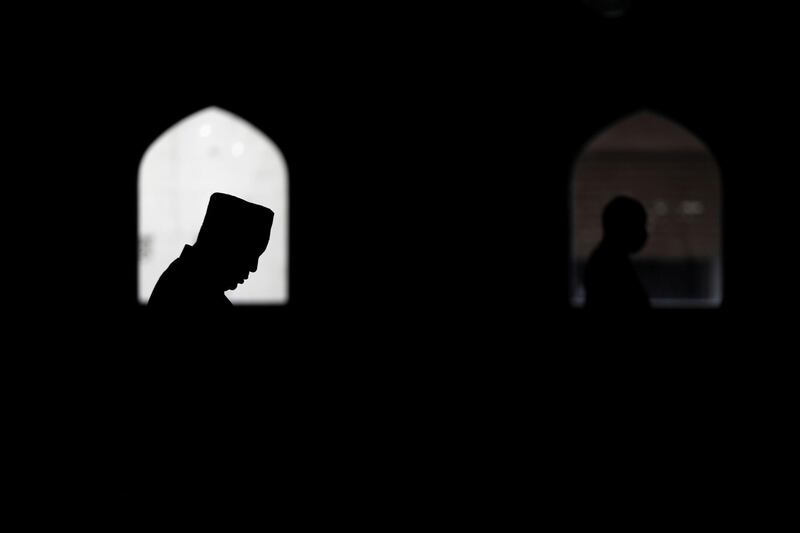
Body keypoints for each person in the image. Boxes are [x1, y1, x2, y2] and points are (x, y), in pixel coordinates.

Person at [148, 193, 274, 307]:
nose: (254, 267)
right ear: (223, 244)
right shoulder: (197, 296)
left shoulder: (179, 281)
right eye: (249, 253)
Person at [583, 195, 650, 310]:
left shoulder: (608, 260)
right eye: (639, 226)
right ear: (623, 228)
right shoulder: (608, 264)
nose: (644, 233)